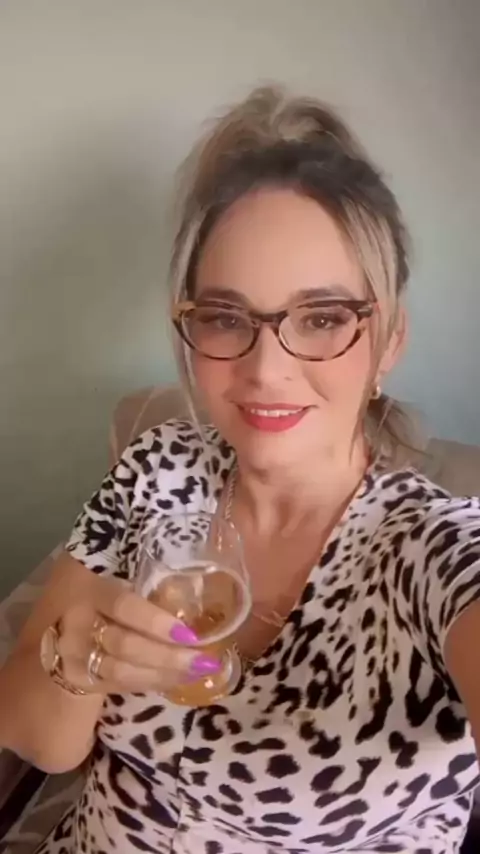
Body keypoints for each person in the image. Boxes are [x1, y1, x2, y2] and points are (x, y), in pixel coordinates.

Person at [1, 86, 479, 854]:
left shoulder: (435, 545)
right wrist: (82, 656)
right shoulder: (157, 468)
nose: (265, 369)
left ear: (389, 340)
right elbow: (40, 740)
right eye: (226, 318)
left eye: (321, 319)